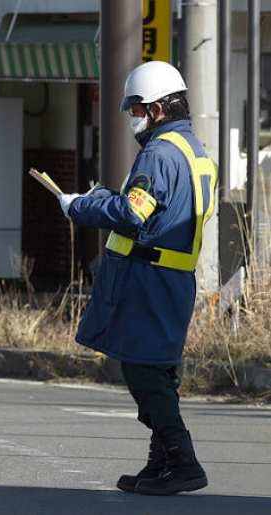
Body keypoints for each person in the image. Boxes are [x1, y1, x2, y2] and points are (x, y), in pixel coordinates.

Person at [57, 60, 217, 496]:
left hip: (149, 278)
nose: (134, 120)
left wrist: (78, 207)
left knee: (144, 371)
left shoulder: (159, 153)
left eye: (137, 111)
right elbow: (159, 209)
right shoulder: (194, 152)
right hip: (174, 279)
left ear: (157, 110)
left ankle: (182, 461)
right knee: (159, 372)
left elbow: (133, 214)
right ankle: (162, 462)